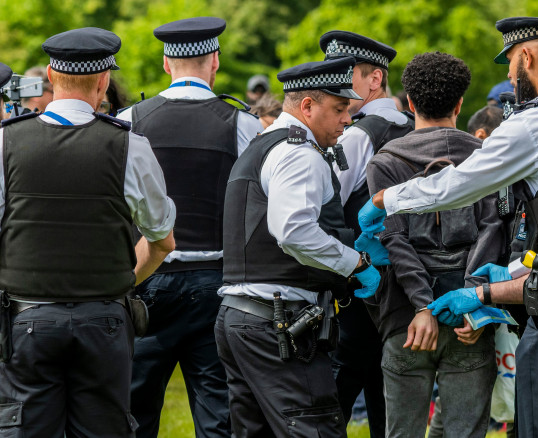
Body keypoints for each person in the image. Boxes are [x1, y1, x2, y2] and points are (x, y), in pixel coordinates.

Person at [358, 16, 538, 437]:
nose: (508, 75)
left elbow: (457, 186)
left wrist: (385, 200)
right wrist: (516, 273)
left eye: (510, 64)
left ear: (526, 57)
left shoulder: (536, 122)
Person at [0, 27, 176, 437]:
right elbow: (162, 239)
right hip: (105, 320)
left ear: (50, 74)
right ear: (103, 81)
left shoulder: (6, 142)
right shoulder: (130, 145)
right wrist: (125, 282)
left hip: (26, 318)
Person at [217, 57, 384, 437]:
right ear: (307, 106)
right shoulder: (298, 152)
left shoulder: (264, 144)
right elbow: (293, 230)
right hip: (277, 322)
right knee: (315, 429)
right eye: (340, 109)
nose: (347, 120)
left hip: (243, 316)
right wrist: (354, 263)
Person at [118, 17, 261, 438]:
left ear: (166, 64)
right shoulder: (244, 123)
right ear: (214, 61)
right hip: (214, 282)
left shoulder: (129, 119)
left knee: (132, 410)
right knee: (218, 414)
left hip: (146, 278)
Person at [366, 51, 502, 438]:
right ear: (461, 104)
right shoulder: (487, 158)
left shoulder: (385, 161)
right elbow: (492, 230)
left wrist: (422, 305)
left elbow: (393, 238)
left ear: (409, 103)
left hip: (406, 319)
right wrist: (472, 299)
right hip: (469, 320)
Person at [319, 30, 413, 435]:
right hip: (410, 279)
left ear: (374, 79)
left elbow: (328, 204)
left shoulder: (358, 133)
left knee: (332, 399)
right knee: (388, 394)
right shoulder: (414, 125)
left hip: (363, 283)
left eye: (345, 75)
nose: (333, 84)